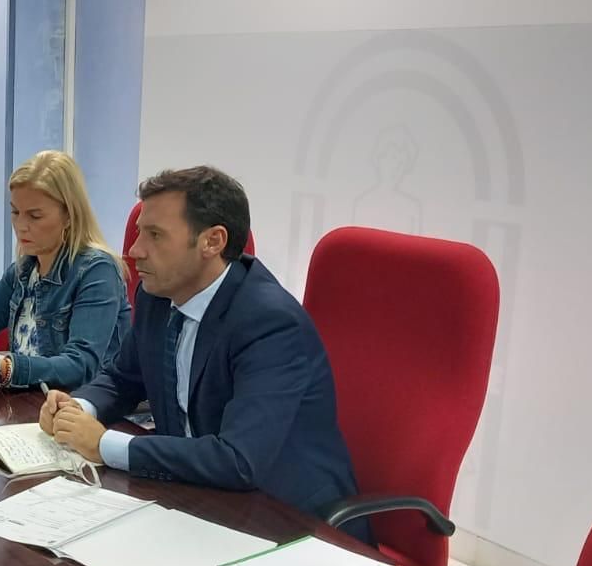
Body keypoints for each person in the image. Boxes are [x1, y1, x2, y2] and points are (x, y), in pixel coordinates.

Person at [44, 165, 359, 519]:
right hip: (192, 497)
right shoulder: (158, 295)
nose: (135, 250)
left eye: (155, 235)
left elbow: (238, 460)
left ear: (212, 241)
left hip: (288, 521)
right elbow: (122, 378)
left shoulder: (270, 323)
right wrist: (78, 409)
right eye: (138, 233)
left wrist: (104, 445)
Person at [0, 150, 129, 390]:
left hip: (77, 408)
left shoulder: (97, 271)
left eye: (35, 216)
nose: (21, 226)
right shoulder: (25, 268)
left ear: (69, 215)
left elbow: (80, 365)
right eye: (15, 212)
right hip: (26, 400)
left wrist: (0, 367)